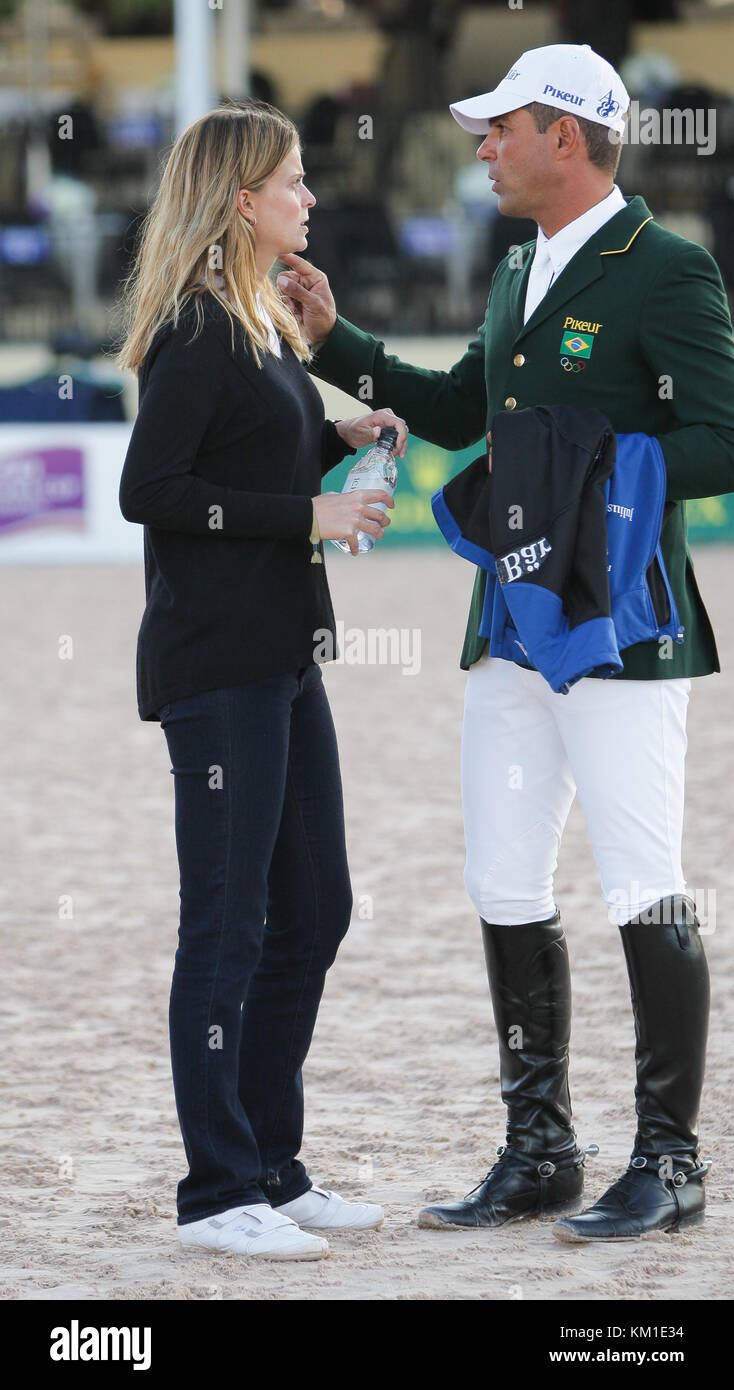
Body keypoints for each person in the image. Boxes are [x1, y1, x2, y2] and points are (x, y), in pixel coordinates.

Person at [276, 44, 734, 1242]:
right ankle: (539, 1148)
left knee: (644, 884)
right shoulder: (519, 261)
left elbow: (721, 440)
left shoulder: (667, 270)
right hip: (508, 623)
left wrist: (595, 472)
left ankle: (670, 1160)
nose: (481, 145)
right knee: (501, 881)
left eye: (500, 128)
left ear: (565, 140)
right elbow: (461, 411)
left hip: (622, 626)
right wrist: (339, 343)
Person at [117, 100, 408, 1261]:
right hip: (218, 665)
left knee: (316, 908)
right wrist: (312, 511)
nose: (309, 197)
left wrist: (340, 433)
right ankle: (216, 1189)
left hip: (284, 656)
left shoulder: (260, 321)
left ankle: (273, 1167)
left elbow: (249, 445)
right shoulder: (195, 326)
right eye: (292, 182)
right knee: (226, 924)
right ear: (241, 199)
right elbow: (154, 488)